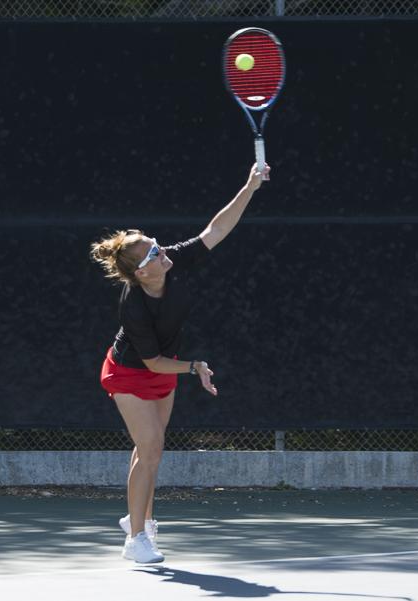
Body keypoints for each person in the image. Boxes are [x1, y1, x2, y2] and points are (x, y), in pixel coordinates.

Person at [89, 163, 269, 563]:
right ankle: (136, 539)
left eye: (157, 243)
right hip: (130, 372)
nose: (163, 250)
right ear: (140, 271)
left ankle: (139, 520)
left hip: (163, 367)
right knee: (149, 446)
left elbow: (215, 230)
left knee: (151, 449)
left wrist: (250, 186)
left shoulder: (174, 262)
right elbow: (150, 362)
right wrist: (194, 367)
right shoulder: (133, 304)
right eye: (154, 251)